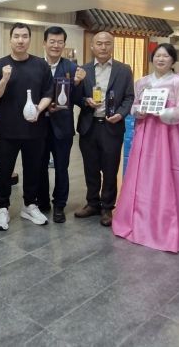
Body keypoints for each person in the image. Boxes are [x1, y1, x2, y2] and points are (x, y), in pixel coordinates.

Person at [112, 43, 179, 252]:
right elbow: (134, 106)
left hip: (169, 134)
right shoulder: (142, 82)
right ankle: (140, 220)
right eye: (157, 56)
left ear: (173, 60)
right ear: (152, 58)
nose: (161, 59)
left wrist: (164, 112)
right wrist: (139, 111)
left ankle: (169, 225)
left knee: (169, 173)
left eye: (166, 56)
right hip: (146, 132)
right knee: (144, 174)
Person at [0, 23, 53, 231]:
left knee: (33, 169)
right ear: (10, 39)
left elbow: (48, 93)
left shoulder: (41, 65)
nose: (20, 40)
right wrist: (5, 78)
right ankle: (2, 208)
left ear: (29, 39)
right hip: (7, 130)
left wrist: (39, 109)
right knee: (4, 171)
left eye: (24, 36)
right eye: (16, 36)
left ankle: (29, 205)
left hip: (34, 129)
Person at [75, 32, 134, 226]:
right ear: (92, 46)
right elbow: (75, 96)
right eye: (99, 43)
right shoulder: (82, 70)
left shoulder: (124, 70)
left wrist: (121, 114)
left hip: (112, 125)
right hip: (89, 125)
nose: (103, 47)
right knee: (90, 167)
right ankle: (92, 203)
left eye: (107, 43)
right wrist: (85, 100)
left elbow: (129, 97)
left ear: (112, 46)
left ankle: (107, 207)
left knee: (110, 168)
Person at [37, 26, 85, 223]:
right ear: (44, 43)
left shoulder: (72, 68)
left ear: (64, 44)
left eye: (60, 42)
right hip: (39, 126)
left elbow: (79, 99)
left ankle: (59, 205)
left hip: (62, 127)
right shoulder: (36, 65)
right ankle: (42, 202)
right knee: (39, 166)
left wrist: (78, 83)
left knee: (61, 167)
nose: (56, 45)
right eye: (52, 41)